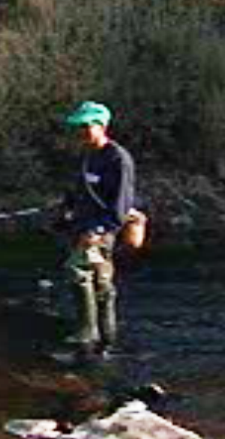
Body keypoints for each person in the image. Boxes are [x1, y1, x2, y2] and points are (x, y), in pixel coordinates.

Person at [55, 101, 136, 359]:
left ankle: (87, 334)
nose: (81, 132)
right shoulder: (87, 155)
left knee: (76, 270)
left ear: (102, 126)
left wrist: (100, 230)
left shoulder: (118, 158)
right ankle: (106, 342)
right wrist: (66, 211)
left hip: (101, 231)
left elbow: (121, 204)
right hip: (82, 225)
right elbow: (78, 189)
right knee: (102, 284)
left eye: (86, 126)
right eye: (78, 127)